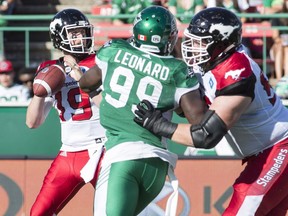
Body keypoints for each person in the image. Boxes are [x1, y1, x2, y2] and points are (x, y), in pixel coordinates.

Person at [134, 7, 288, 216]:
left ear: (222, 43)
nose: (193, 47)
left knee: (240, 208)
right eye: (193, 40)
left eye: (201, 42)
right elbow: (193, 111)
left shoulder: (236, 70)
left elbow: (206, 135)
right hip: (264, 152)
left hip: (279, 147)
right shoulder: (209, 64)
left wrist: (157, 124)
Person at [78, 5, 205, 215]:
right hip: (156, 166)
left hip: (122, 158)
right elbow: (198, 121)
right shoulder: (178, 69)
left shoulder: (114, 51)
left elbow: (86, 83)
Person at [26, 9, 106, 215]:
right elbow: (32, 123)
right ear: (59, 37)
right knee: (37, 213)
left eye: (82, 31)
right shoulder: (51, 69)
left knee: (114, 211)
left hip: (102, 150)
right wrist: (38, 93)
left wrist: (83, 80)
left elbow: (110, 108)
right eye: (75, 33)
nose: (81, 37)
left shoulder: (102, 61)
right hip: (69, 153)